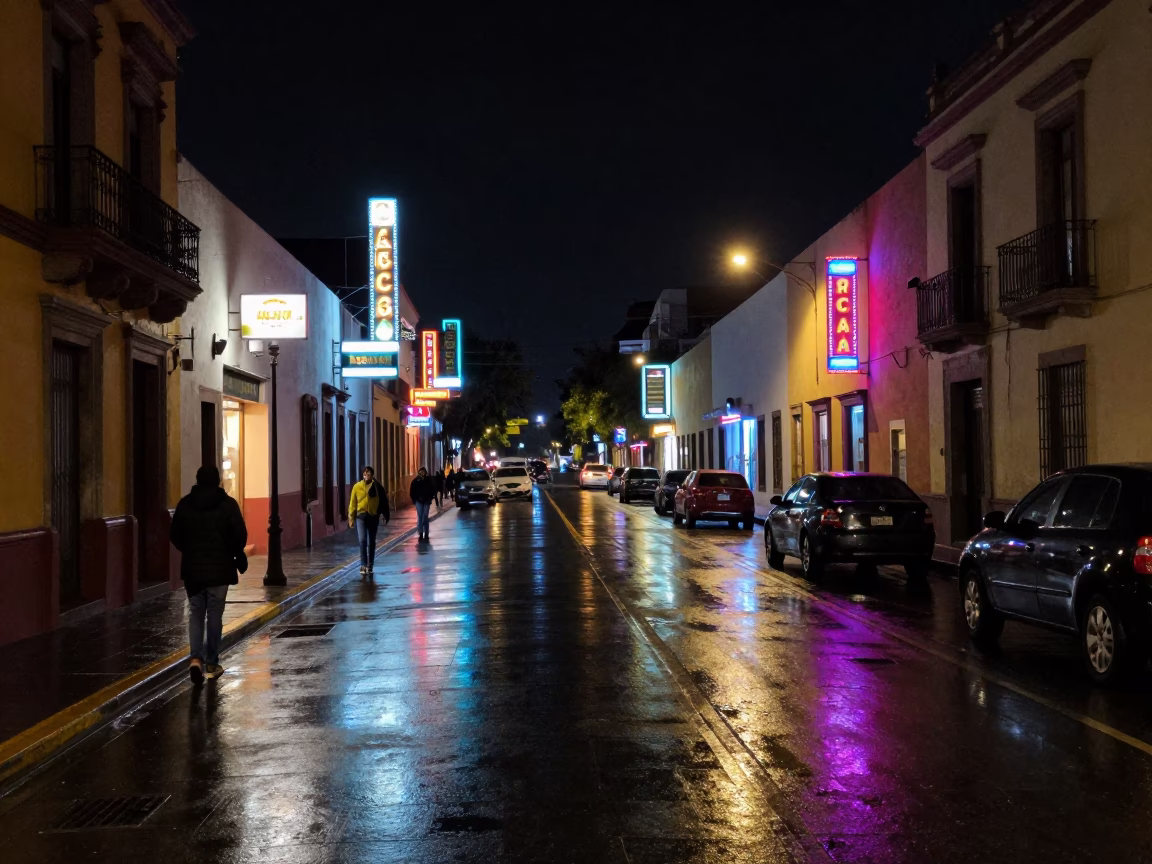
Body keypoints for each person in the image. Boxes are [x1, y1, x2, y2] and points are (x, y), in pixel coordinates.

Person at [170, 465, 247, 684]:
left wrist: (190, 549)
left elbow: (175, 535)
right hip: (220, 569)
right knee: (214, 615)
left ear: (197, 480)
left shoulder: (185, 505)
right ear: (218, 480)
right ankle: (212, 661)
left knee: (195, 612)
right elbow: (239, 537)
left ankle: (195, 658)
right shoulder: (228, 505)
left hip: (193, 569)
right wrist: (231, 551)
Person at [348, 465, 390, 576]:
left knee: (371, 541)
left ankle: (370, 564)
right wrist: (351, 517)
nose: (366, 475)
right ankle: (363, 564)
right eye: (365, 473)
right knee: (362, 540)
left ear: (372, 475)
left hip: (373, 516)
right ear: (362, 475)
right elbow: (352, 503)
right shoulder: (357, 487)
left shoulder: (376, 487)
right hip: (360, 516)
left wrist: (384, 515)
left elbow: (383, 501)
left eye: (368, 473)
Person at [410, 467, 436, 541]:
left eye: (423, 472)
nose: (422, 473)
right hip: (419, 501)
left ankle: (426, 533)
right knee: (420, 516)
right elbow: (412, 491)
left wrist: (430, 497)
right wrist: (414, 499)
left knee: (425, 516)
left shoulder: (428, 480)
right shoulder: (415, 481)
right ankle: (421, 533)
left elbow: (433, 489)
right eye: (421, 472)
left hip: (426, 501)